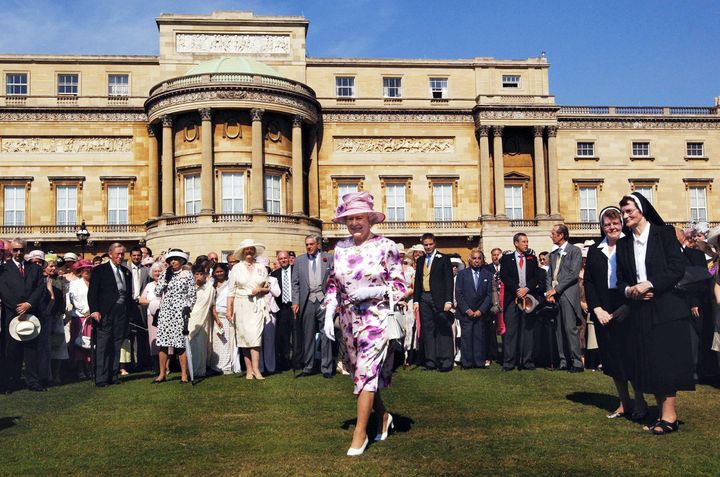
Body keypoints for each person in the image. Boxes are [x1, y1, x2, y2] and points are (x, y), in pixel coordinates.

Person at [323, 191, 405, 456]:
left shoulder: (386, 246)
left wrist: (373, 292)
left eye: (359, 217)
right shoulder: (340, 249)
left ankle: (360, 434)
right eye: (350, 219)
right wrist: (329, 311)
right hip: (348, 319)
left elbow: (400, 285)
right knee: (362, 373)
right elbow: (333, 284)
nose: (354, 223)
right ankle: (383, 417)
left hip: (376, 317)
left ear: (370, 219)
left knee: (366, 372)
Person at [616, 192, 695, 434]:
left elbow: (677, 268)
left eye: (629, 211)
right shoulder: (623, 243)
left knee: (666, 362)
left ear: (641, 210)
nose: (626, 216)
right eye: (623, 213)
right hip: (642, 310)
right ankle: (663, 415)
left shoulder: (664, 234)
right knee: (651, 362)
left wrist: (650, 284)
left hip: (667, 308)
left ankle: (669, 417)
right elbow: (621, 280)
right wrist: (630, 291)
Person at [584, 206, 647, 420]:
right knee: (611, 358)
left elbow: (638, 277)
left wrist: (627, 307)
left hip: (627, 304)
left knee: (632, 357)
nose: (612, 227)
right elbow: (589, 282)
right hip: (603, 308)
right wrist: (597, 308)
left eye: (615, 223)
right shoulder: (595, 250)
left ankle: (640, 401)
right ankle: (624, 403)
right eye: (607, 224)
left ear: (621, 223)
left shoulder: (631, 246)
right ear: (602, 227)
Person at [0, 238, 46, 392]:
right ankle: (11, 382)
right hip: (11, 314)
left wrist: (29, 304)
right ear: (11, 250)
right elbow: (3, 291)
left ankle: (33, 381)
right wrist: (17, 308)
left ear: (25, 250)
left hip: (31, 314)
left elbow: (40, 288)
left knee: (31, 350)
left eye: (21, 250)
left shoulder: (35, 268)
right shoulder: (3, 269)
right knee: (11, 350)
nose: (18, 253)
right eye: (15, 250)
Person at [87, 243, 134, 387]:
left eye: (122, 254)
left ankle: (113, 376)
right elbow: (92, 292)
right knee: (103, 346)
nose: (120, 257)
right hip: (105, 313)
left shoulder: (126, 272)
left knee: (116, 344)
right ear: (110, 254)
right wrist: (94, 310)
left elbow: (128, 295)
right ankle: (101, 378)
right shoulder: (100, 270)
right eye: (117, 254)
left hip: (121, 313)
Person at [292, 235, 334, 377]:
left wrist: (335, 301)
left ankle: (326, 368)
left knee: (326, 334)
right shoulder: (299, 260)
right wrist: (295, 302)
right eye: (307, 244)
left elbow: (334, 280)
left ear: (318, 245)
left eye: (311, 244)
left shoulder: (328, 258)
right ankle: (308, 367)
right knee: (308, 335)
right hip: (307, 301)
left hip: (324, 301)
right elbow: (295, 283)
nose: (309, 247)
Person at [227, 239, 270, 380]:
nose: (249, 252)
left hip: (257, 305)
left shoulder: (261, 268)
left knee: (255, 337)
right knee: (244, 337)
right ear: (243, 252)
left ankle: (257, 370)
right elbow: (231, 291)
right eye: (247, 250)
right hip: (241, 304)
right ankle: (249, 370)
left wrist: (260, 289)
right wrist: (229, 310)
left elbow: (267, 287)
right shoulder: (236, 268)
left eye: (251, 249)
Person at [499, 233, 541, 371]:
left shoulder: (532, 258)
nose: (526, 244)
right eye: (523, 242)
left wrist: (527, 288)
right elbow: (504, 276)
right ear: (516, 243)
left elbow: (536, 277)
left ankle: (527, 361)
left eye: (527, 241)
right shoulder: (506, 259)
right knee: (511, 331)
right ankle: (509, 362)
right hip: (512, 299)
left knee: (527, 331)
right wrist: (517, 290)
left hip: (528, 298)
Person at [153, 249, 196, 384]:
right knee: (163, 343)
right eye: (171, 260)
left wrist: (188, 307)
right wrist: (164, 281)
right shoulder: (165, 274)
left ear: (182, 261)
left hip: (180, 311)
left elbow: (192, 294)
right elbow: (157, 292)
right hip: (166, 310)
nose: (173, 261)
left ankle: (184, 374)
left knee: (180, 344)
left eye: (176, 259)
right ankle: (162, 374)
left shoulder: (187, 274)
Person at [545, 224, 584, 372]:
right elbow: (549, 274)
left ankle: (576, 362)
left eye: (553, 233)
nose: (551, 235)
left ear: (561, 235)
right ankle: (563, 361)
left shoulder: (575, 251)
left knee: (570, 328)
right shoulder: (553, 254)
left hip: (567, 294)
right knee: (558, 329)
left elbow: (573, 275)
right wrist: (549, 291)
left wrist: (556, 289)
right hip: (555, 295)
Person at [413, 233, 454, 372]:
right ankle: (430, 361)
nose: (428, 247)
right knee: (428, 330)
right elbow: (417, 282)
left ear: (435, 243)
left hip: (440, 299)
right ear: (423, 245)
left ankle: (446, 361)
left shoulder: (443, 258)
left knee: (443, 329)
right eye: (426, 245)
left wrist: (448, 300)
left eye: (430, 244)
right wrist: (416, 301)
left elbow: (449, 281)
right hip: (424, 298)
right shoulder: (420, 260)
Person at [455, 248, 493, 369]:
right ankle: (467, 362)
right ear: (470, 260)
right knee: (466, 338)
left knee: (479, 338)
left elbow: (489, 295)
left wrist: (480, 310)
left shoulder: (488, 275)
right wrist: (467, 310)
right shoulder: (462, 274)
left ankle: (479, 362)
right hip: (466, 312)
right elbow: (458, 294)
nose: (477, 261)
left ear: (482, 260)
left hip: (481, 313)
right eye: (474, 258)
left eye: (479, 258)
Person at [188, 263, 215, 378]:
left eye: (201, 274)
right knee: (191, 344)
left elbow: (211, 305)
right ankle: (190, 370)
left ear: (205, 276)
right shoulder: (189, 288)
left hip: (203, 319)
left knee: (201, 345)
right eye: (196, 274)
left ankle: (200, 371)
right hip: (190, 319)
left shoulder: (209, 288)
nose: (198, 276)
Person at [209, 264, 237, 374]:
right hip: (215, 315)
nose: (219, 273)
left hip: (227, 315)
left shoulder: (230, 283)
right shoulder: (212, 284)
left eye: (221, 271)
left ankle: (225, 366)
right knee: (216, 342)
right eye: (217, 272)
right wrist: (215, 317)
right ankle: (215, 366)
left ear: (225, 271)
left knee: (226, 340)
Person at [127, 246, 151, 371]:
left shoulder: (146, 271)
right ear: (130, 256)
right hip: (129, 305)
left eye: (138, 255)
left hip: (141, 305)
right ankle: (130, 362)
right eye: (134, 255)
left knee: (142, 333)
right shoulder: (125, 269)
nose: (136, 257)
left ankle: (141, 362)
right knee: (129, 333)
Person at [138, 262, 165, 374]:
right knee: (154, 340)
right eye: (155, 271)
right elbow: (141, 300)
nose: (157, 273)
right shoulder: (149, 286)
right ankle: (156, 367)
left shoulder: (167, 284)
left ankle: (167, 367)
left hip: (165, 316)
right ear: (151, 273)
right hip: (152, 316)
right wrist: (153, 302)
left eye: (159, 271)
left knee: (166, 341)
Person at [271, 250, 294, 372]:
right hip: (282, 308)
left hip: (295, 307)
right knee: (283, 337)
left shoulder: (296, 271)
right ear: (278, 260)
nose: (283, 260)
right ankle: (285, 362)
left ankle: (298, 361)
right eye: (281, 259)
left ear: (289, 259)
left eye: (285, 258)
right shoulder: (274, 274)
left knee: (297, 335)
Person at [258, 256, 280, 375]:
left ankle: (270, 367)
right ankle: (260, 367)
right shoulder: (254, 279)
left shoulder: (273, 280)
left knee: (269, 340)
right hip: (258, 312)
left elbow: (277, 293)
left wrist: (269, 286)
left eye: (265, 268)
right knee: (258, 341)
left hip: (270, 312)